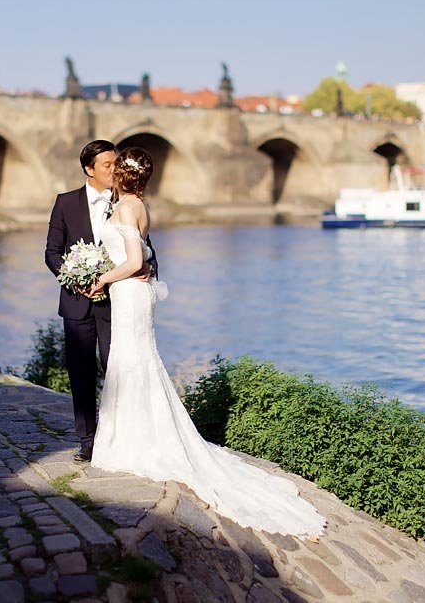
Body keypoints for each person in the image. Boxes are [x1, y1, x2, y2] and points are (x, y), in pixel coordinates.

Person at [86, 147, 325, 538]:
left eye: (116, 170)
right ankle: (131, 434)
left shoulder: (127, 208)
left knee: (131, 362)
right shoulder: (138, 206)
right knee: (136, 362)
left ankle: (129, 442)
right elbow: (142, 255)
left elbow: (133, 261)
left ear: (124, 177)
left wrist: (102, 279)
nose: (110, 175)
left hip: (128, 293)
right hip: (133, 294)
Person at [44, 140, 156, 462]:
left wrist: (148, 268)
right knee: (80, 373)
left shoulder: (126, 201)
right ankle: (87, 441)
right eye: (106, 165)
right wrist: (75, 279)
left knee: (117, 369)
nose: (114, 169)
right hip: (77, 301)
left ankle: (117, 437)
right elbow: (52, 252)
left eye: (116, 163)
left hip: (115, 303)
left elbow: (145, 247)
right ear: (88, 169)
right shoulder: (65, 203)